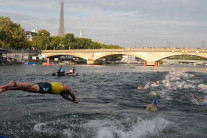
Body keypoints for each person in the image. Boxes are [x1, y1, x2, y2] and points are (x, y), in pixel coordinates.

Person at [0, 80, 78, 104]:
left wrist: (72, 100)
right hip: (48, 87)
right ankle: (14, 83)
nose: (65, 94)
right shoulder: (64, 86)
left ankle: (6, 89)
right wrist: (74, 99)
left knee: (26, 89)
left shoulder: (62, 93)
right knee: (32, 87)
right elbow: (70, 91)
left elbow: (67, 97)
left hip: (47, 88)